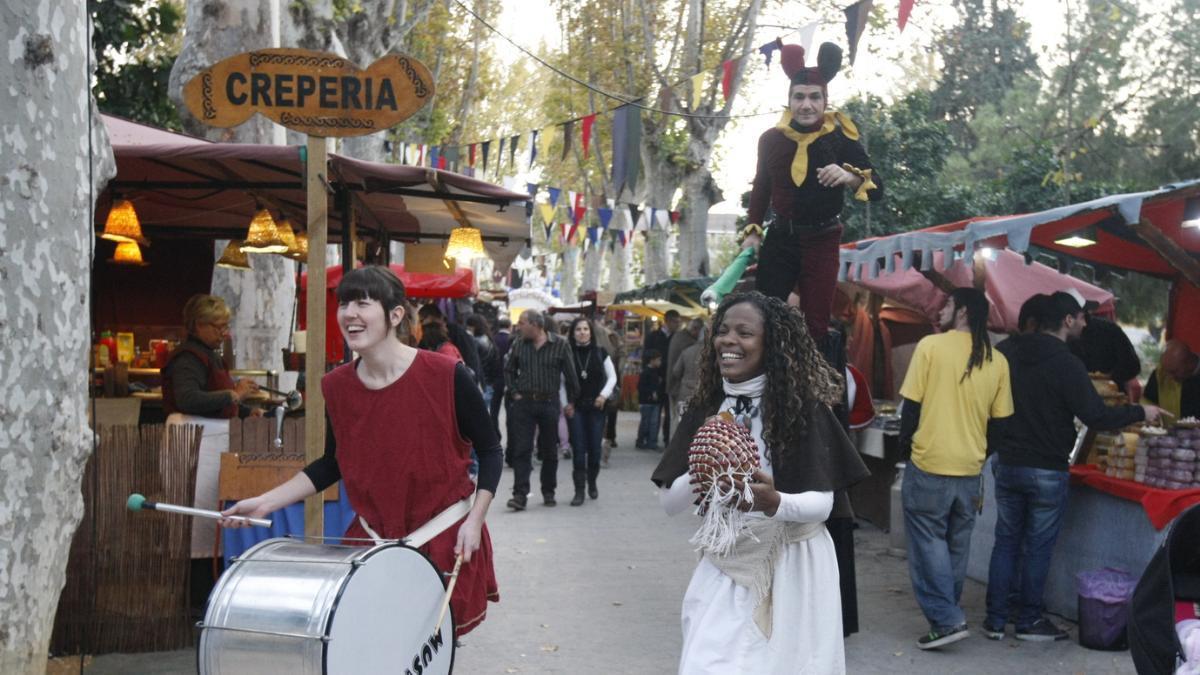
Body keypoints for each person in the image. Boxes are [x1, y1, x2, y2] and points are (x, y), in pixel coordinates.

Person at [222, 266, 501, 636]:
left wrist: (475, 519)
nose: (349, 314)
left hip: (443, 536)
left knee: (425, 653)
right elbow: (331, 465)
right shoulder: (336, 386)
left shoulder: (448, 375)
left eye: (363, 303)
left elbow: (491, 450)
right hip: (369, 541)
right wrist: (265, 502)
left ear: (395, 314)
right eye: (344, 304)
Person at [651, 291, 869, 673]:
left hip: (795, 563)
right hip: (726, 560)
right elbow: (669, 505)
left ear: (771, 344)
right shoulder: (707, 406)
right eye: (722, 331)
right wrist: (706, 461)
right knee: (707, 662)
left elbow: (824, 504)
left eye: (744, 333)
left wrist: (773, 502)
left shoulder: (802, 409)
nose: (728, 340)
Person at [984, 292, 1162, 642]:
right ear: (1066, 320)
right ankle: (1029, 620)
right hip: (1047, 467)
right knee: (1035, 546)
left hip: (1008, 462)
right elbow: (1095, 415)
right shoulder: (1066, 363)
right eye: (1081, 317)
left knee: (1005, 542)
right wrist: (1141, 412)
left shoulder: (1007, 353)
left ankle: (995, 619)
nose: (1085, 323)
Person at [741, 42, 883, 342]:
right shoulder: (770, 139)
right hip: (780, 238)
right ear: (790, 100)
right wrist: (752, 231)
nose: (807, 105)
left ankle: (814, 387)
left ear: (824, 100)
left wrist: (848, 176)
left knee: (816, 325)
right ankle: (766, 387)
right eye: (799, 97)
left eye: (814, 97)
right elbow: (762, 186)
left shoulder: (841, 136)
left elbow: (876, 190)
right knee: (765, 317)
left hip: (822, 239)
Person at [897, 287, 1014, 650]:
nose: (942, 310)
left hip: (930, 462)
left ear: (962, 311)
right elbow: (1002, 428)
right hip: (969, 471)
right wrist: (976, 454)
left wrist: (909, 451)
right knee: (955, 546)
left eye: (947, 304)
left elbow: (910, 410)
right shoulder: (997, 360)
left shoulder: (931, 347)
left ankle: (947, 620)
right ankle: (949, 613)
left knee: (928, 542)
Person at [504, 310, 580, 509]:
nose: (519, 326)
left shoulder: (560, 344)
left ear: (536, 325)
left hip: (549, 403)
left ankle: (548, 491)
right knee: (522, 449)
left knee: (549, 451)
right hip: (524, 403)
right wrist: (514, 392)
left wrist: (571, 401)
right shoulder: (519, 343)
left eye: (522, 323)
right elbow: (509, 369)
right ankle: (520, 495)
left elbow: (571, 375)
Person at [163, 294, 262, 419]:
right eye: (220, 327)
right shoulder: (187, 358)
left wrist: (247, 412)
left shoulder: (210, 354)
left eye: (226, 327)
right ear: (199, 325)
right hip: (193, 435)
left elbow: (217, 405)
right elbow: (187, 399)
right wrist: (234, 395)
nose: (225, 334)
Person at [565, 317, 618, 506]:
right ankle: (578, 491)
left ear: (590, 332)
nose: (582, 332)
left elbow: (612, 377)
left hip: (596, 407)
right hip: (576, 408)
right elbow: (562, 382)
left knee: (595, 451)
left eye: (585, 329)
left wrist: (603, 396)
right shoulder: (567, 352)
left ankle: (592, 482)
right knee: (579, 450)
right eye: (578, 329)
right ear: (573, 333)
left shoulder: (600, 352)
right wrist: (566, 403)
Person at [1065, 291, 1141, 394]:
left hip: (1109, 398)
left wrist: (1107, 378)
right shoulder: (1060, 336)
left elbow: (1132, 365)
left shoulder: (1109, 330)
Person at [419, 303, 481, 383]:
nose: (421, 324)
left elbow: (471, 358)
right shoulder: (444, 344)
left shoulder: (454, 335)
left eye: (422, 320)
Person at [644, 310, 680, 446]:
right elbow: (646, 357)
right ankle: (649, 438)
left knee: (669, 411)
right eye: (676, 322)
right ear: (668, 321)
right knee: (653, 411)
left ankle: (666, 439)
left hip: (670, 380)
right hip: (655, 379)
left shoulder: (677, 337)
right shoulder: (653, 336)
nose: (678, 324)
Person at [1144, 339, 1200, 419]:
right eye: (1166, 371)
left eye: (1174, 372)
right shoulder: (1160, 374)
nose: (1169, 377)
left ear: (1189, 363)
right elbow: (1148, 401)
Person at [667, 317, 703, 435]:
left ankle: (675, 447)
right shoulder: (709, 353)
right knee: (698, 422)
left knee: (679, 420)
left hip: (684, 392)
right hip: (701, 392)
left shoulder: (687, 351)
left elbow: (676, 371)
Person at [489, 317, 513, 438]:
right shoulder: (513, 340)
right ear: (509, 326)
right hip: (509, 378)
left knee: (494, 408)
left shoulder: (493, 339)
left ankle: (495, 434)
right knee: (510, 409)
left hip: (496, 378)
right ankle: (511, 435)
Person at [637, 350, 664, 450]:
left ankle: (652, 442)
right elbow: (640, 387)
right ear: (652, 361)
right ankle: (641, 440)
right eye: (658, 360)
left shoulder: (657, 372)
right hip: (646, 402)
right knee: (646, 422)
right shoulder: (645, 372)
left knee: (654, 422)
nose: (660, 362)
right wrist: (651, 393)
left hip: (656, 402)